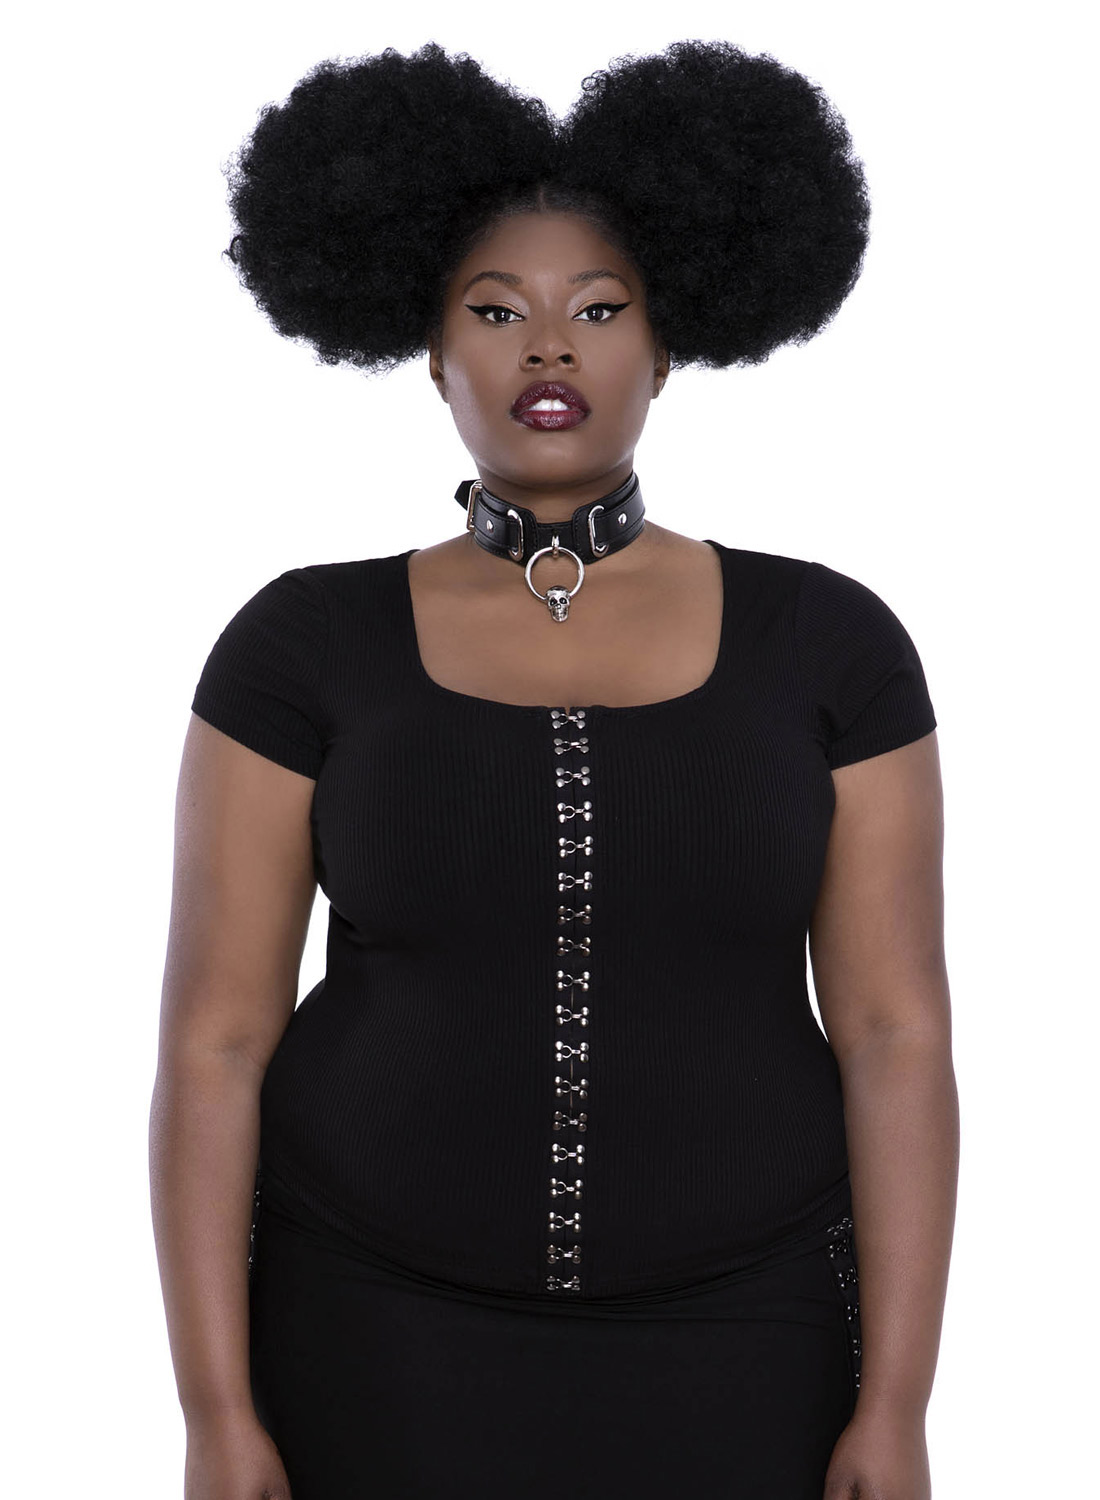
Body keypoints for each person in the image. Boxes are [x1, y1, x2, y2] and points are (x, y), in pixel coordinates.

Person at [149, 38, 959, 1500]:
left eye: (598, 307)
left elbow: (896, 1034)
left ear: (668, 345)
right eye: (494, 310)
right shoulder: (300, 642)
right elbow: (215, 1042)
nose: (548, 348)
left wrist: (897, 1401)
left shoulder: (832, 642)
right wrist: (214, 1409)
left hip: (749, 1331)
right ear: (430, 352)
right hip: (369, 1330)